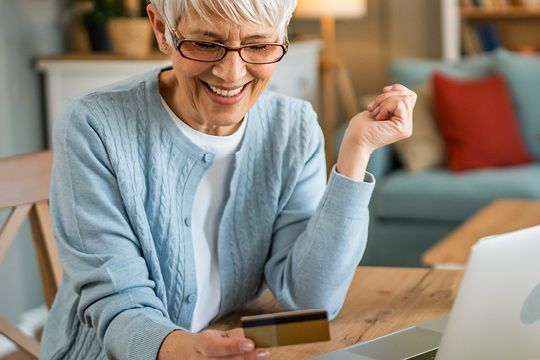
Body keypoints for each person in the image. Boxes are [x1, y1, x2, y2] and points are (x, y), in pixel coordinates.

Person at [40, 0, 415, 358]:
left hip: (228, 336)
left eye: (259, 45)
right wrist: (184, 351)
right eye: (205, 43)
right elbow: (118, 303)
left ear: (282, 36)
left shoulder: (293, 127)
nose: (232, 73)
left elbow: (312, 300)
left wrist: (355, 152)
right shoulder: (93, 125)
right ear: (161, 29)